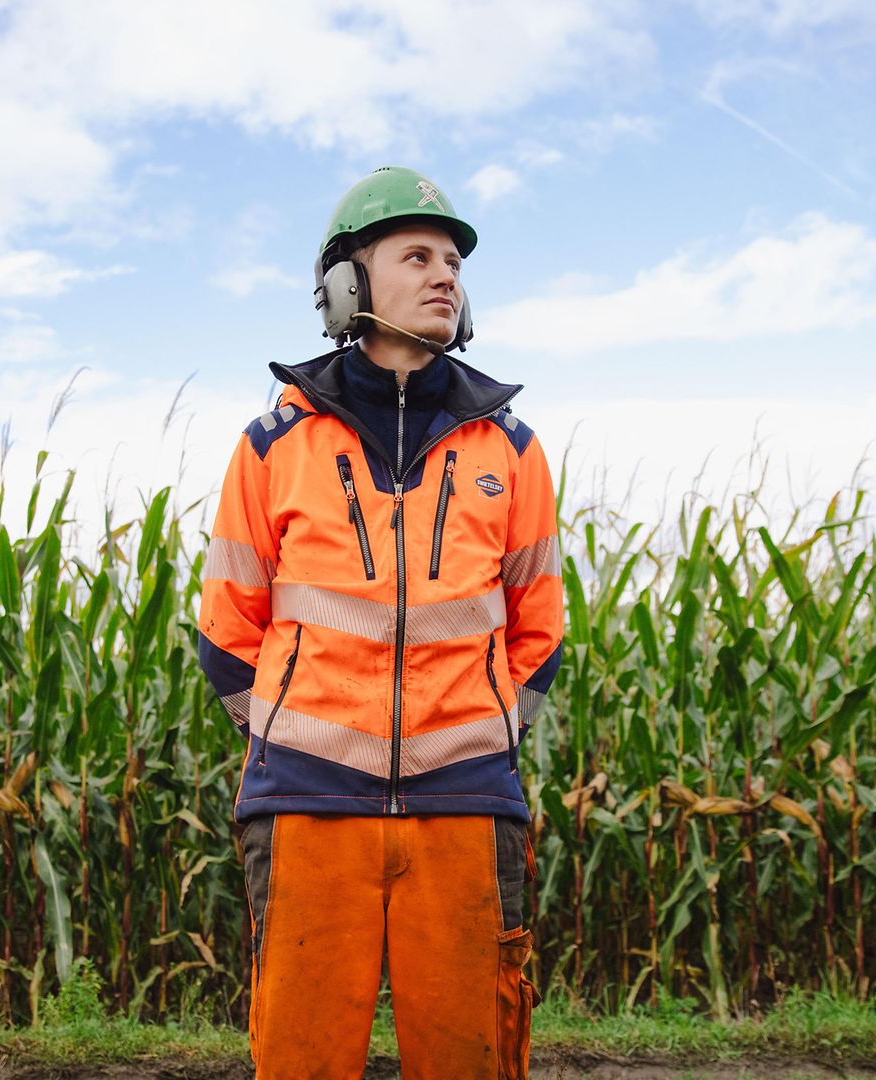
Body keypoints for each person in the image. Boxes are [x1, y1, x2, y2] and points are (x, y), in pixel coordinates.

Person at [196, 165, 564, 1078]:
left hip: (467, 804)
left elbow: (539, 631)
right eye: (418, 255)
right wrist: (299, 739)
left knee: (473, 1056)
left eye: (452, 261)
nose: (446, 275)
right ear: (348, 286)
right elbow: (228, 633)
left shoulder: (512, 450)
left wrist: (472, 735)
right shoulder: (273, 446)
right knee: (301, 1058)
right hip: (309, 804)